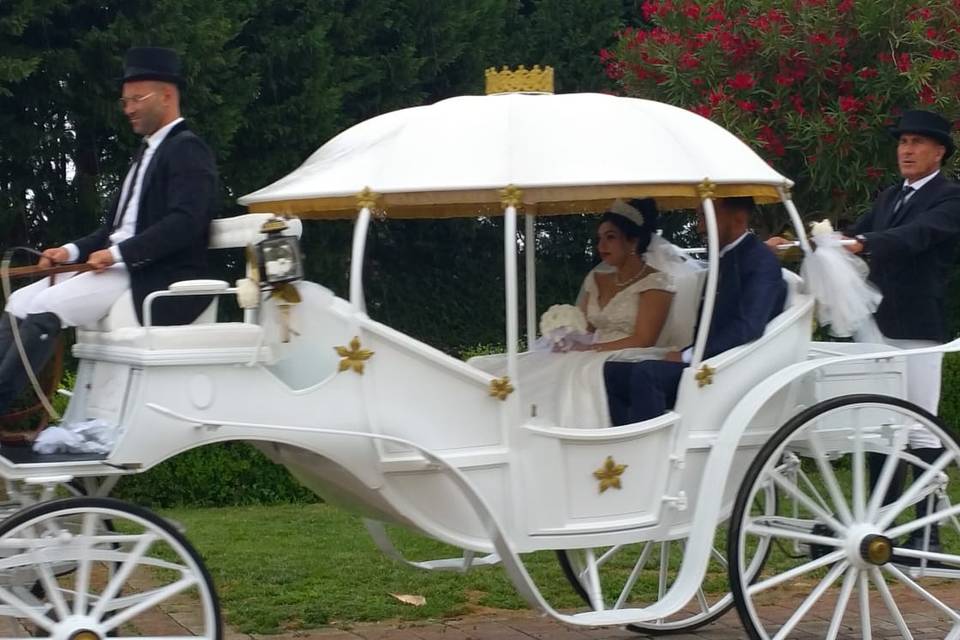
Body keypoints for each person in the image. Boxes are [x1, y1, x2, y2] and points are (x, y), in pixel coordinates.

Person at [0, 46, 219, 415]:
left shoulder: (188, 150)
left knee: (44, 307)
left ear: (167, 95)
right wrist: (68, 253)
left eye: (137, 98)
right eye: (125, 101)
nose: (129, 108)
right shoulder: (144, 154)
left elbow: (186, 222)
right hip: (117, 266)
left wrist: (119, 255)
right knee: (18, 302)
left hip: (149, 273)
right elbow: (112, 230)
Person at [845, 109, 960, 552]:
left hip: (916, 323)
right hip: (877, 322)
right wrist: (804, 241)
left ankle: (928, 530)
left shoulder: (950, 198)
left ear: (939, 151)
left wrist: (866, 243)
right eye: (902, 142)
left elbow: (916, 236)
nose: (906, 150)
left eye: (916, 143)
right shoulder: (889, 196)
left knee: (920, 427)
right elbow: (854, 233)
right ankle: (881, 522)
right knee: (880, 424)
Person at [470, 198, 686, 428]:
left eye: (610, 237)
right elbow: (586, 327)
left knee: (572, 371)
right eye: (599, 239)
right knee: (520, 366)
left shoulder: (655, 282)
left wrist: (589, 348)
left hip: (626, 352)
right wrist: (565, 333)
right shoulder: (596, 278)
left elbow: (644, 339)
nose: (601, 245)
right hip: (591, 350)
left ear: (633, 241)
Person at [604, 197, 786, 425]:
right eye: (700, 217)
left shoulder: (760, 261)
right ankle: (627, 444)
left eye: (705, 217)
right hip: (708, 361)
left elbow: (747, 326)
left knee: (646, 374)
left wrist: (688, 355)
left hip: (731, 368)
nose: (700, 227)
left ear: (737, 218)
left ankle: (651, 453)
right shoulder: (725, 258)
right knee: (612, 372)